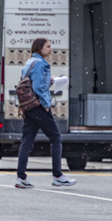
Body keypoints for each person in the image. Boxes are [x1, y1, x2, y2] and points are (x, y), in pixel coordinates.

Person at [15, 37, 76, 189]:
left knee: (27, 141)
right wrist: (46, 104)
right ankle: (58, 176)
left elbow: (33, 81)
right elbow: (38, 88)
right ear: (39, 48)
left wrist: (51, 80)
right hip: (38, 106)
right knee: (56, 138)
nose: (51, 49)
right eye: (48, 46)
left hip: (28, 107)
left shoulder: (30, 62)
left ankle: (21, 177)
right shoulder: (41, 63)